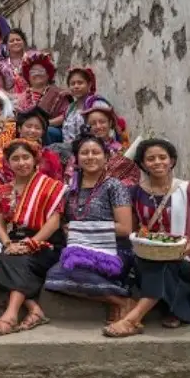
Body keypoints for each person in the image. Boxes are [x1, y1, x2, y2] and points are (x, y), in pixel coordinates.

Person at [105, 139, 190, 337]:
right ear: (143, 164)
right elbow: (133, 229)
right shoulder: (135, 192)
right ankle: (169, 309)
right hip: (147, 256)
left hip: (185, 257)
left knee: (166, 264)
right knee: (156, 264)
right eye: (150, 159)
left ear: (172, 161)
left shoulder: (189, 190)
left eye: (163, 157)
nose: (157, 162)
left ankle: (131, 320)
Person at [44, 134, 135, 325]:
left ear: (106, 157)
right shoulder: (70, 189)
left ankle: (119, 296)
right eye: (84, 153)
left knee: (73, 271)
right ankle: (120, 299)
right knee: (55, 276)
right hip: (79, 249)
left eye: (96, 152)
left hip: (113, 250)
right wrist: (68, 228)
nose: (90, 157)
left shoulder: (114, 186)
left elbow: (125, 228)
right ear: (76, 159)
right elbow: (63, 221)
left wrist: (80, 229)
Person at [0, 140, 66, 336]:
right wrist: (7, 243)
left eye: (26, 157)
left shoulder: (51, 187)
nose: (21, 162)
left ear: (35, 160)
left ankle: (11, 314)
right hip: (14, 240)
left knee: (16, 259)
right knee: (2, 257)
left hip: (46, 242)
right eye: (15, 159)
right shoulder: (2, 191)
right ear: (8, 163)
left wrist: (30, 244)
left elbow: (54, 222)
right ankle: (34, 309)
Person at [62, 67, 97, 142]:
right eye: (72, 84)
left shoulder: (96, 104)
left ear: (89, 85)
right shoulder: (70, 108)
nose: (76, 86)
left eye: (80, 83)